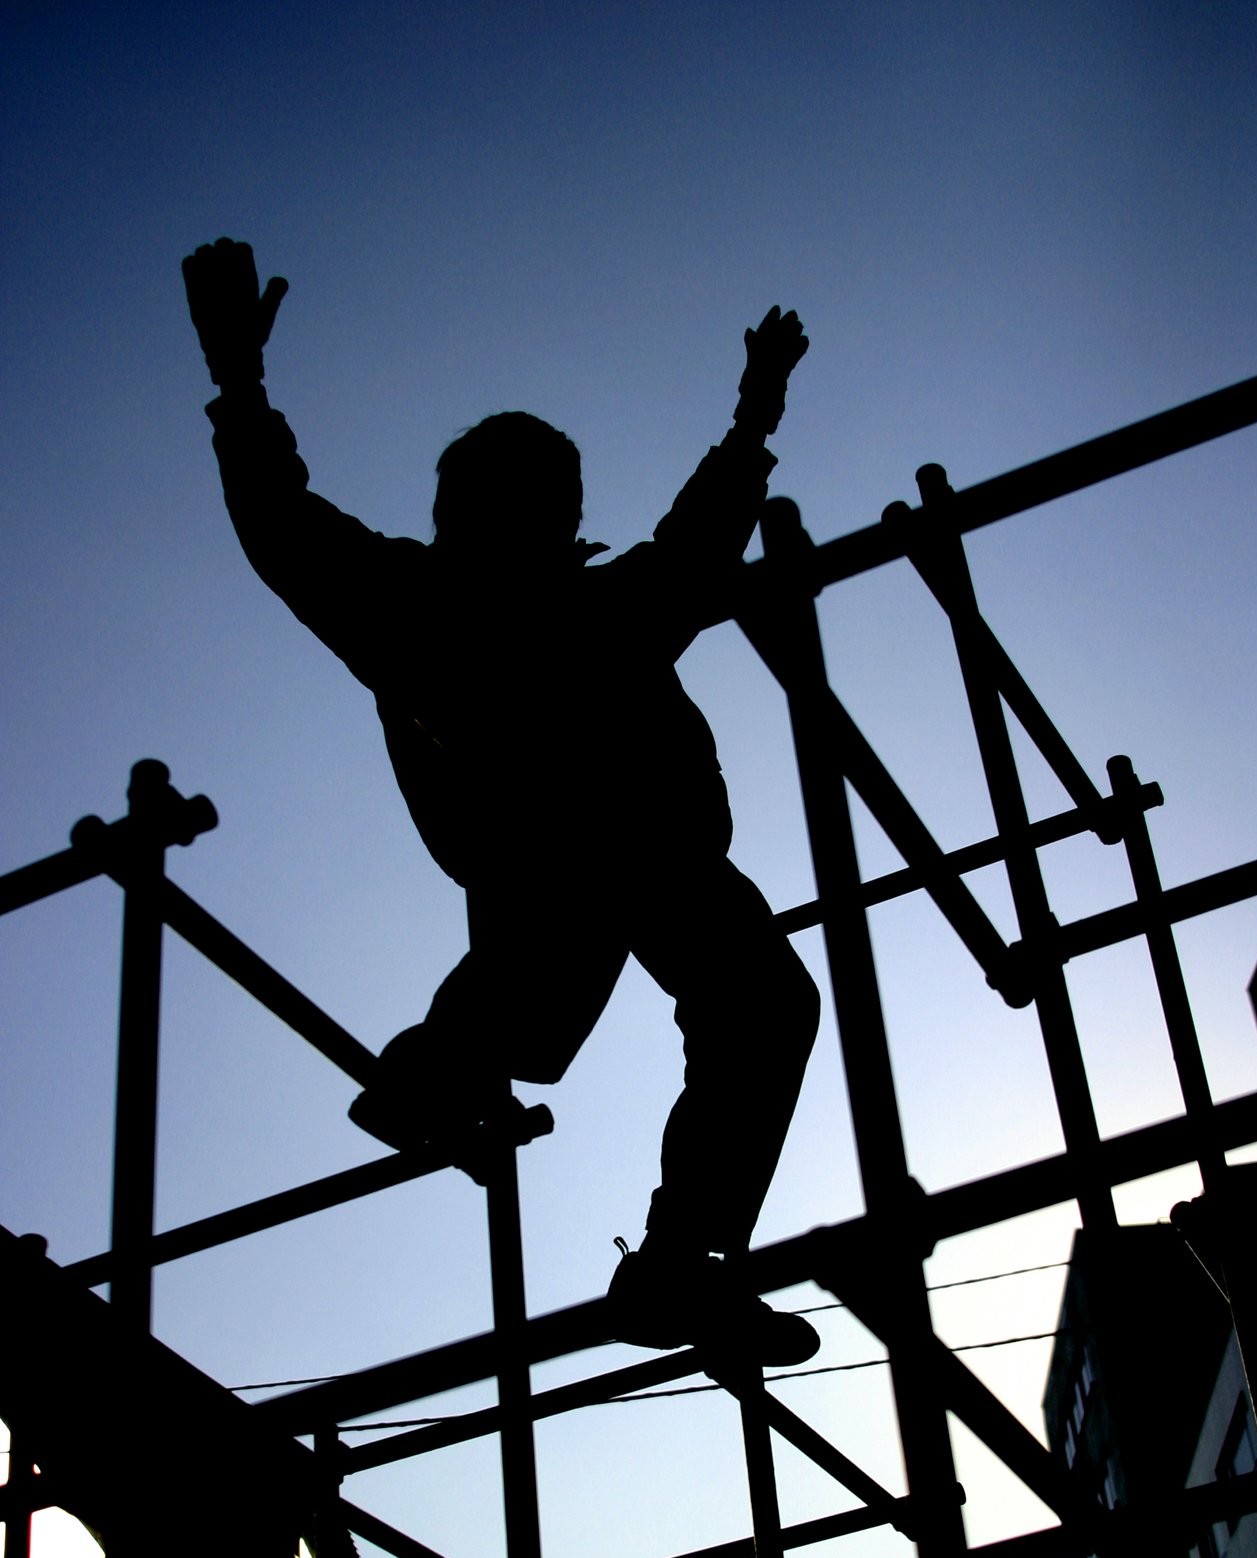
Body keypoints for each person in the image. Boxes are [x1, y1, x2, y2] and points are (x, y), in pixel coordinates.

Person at [184, 238, 819, 1361]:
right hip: (576, 850)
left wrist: (751, 426)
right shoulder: (439, 604)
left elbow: (689, 552)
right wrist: (238, 386)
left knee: (745, 999)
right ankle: (467, 1067)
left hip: (623, 853)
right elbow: (286, 530)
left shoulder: (539, 605)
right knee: (655, 986)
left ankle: (656, 1241)